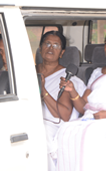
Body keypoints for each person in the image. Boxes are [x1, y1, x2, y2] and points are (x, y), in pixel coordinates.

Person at [56, 28, 106, 171]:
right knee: (65, 130)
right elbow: (83, 108)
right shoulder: (97, 72)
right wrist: (72, 91)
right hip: (94, 118)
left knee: (91, 132)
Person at [36, 31, 86, 171]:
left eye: (56, 45)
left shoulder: (66, 78)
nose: (51, 48)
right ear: (40, 48)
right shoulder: (29, 71)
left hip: (51, 126)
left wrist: (43, 90)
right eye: (47, 44)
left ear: (62, 52)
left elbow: (63, 115)